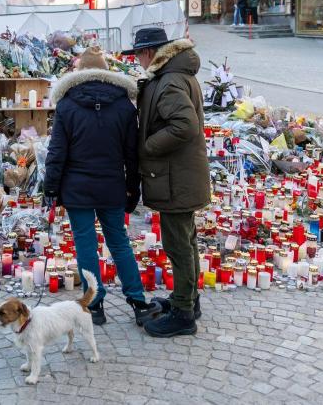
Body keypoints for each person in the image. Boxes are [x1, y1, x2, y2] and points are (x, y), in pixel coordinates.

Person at [43, 46, 161, 327]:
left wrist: (51, 189)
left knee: (85, 244)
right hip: (111, 186)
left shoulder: (68, 104)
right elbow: (132, 154)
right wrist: (134, 189)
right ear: (106, 73)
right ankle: (138, 301)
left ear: (80, 72)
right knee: (119, 243)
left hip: (77, 188)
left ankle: (94, 305)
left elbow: (56, 152)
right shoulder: (123, 105)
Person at [123, 28, 210, 338]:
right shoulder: (173, 74)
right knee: (185, 240)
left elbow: (184, 126)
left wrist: (147, 146)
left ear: (151, 53)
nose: (137, 60)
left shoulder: (170, 80)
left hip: (176, 177)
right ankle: (186, 300)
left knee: (178, 245)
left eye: (138, 54)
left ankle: (184, 314)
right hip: (180, 175)